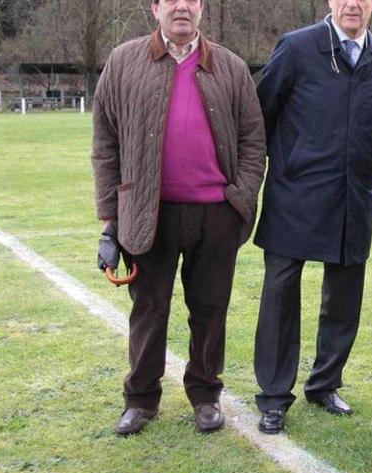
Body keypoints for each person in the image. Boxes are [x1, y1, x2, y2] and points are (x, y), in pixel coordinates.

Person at [91, 0, 266, 436]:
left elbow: (252, 138)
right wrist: (111, 216)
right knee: (148, 310)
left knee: (210, 310)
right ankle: (141, 399)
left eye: (191, 0)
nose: (182, 6)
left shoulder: (229, 66)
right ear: (155, 8)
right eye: (171, 0)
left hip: (216, 214)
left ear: (201, 9)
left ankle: (206, 394)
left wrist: (240, 198)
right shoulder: (124, 61)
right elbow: (105, 141)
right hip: (149, 211)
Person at [252, 0, 372, 434]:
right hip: (294, 194)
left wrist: (367, 168)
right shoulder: (296, 48)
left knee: (344, 295)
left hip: (354, 196)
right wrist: (291, 160)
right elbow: (262, 113)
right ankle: (274, 397)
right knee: (280, 293)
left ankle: (325, 384)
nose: (352, 3)